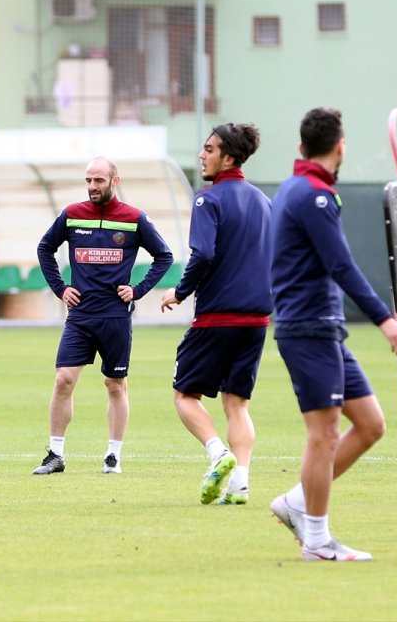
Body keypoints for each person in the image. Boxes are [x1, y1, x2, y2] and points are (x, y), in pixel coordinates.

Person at [269, 108, 397, 560]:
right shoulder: (314, 196)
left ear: (301, 147)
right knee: (324, 433)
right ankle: (316, 539)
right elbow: (341, 266)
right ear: (340, 146)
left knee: (370, 425)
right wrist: (384, 317)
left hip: (321, 329)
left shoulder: (299, 187)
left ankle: (295, 502)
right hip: (308, 328)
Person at [33, 156, 173, 475]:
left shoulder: (134, 218)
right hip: (80, 317)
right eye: (88, 181)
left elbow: (164, 256)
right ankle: (55, 454)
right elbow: (45, 248)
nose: (93, 187)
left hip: (115, 318)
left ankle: (113, 456)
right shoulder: (72, 215)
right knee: (63, 379)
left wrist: (137, 290)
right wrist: (60, 288)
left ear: (115, 181)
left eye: (98, 180)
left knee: (115, 384)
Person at [160, 123, 271, 506]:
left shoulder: (208, 200)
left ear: (228, 157)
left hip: (216, 318)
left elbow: (203, 254)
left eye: (209, 149)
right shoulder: (263, 201)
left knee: (184, 394)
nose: (201, 155)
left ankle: (218, 454)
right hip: (257, 321)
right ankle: (240, 484)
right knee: (236, 402)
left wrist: (179, 291)